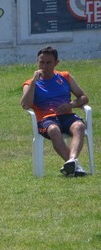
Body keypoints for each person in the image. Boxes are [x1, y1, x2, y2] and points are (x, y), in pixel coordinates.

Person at [19, 45, 90, 177]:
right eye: (41, 62)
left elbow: (83, 97)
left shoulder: (65, 77)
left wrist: (71, 105)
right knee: (53, 130)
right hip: (46, 120)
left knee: (79, 126)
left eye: (48, 63)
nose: (44, 66)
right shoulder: (29, 83)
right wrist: (34, 82)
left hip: (67, 115)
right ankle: (75, 166)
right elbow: (25, 105)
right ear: (37, 62)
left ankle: (72, 161)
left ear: (56, 63)